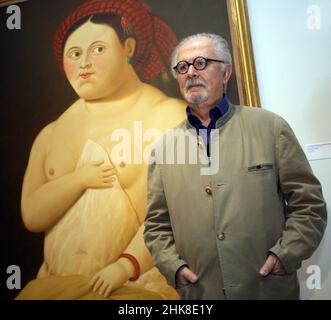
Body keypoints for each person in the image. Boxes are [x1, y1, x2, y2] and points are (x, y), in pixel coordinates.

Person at [17, 0, 186, 300]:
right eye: (75, 54)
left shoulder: (168, 117)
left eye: (97, 49)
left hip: (136, 288)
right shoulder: (51, 134)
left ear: (129, 48)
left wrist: (124, 266)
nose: (84, 64)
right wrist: (78, 179)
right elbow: (32, 215)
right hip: (53, 288)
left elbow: (179, 211)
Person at [143, 33, 327, 300]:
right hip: (201, 293)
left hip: (267, 290)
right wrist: (174, 267)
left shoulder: (270, 128)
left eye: (201, 62)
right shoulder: (163, 150)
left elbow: (309, 206)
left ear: (226, 72)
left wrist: (284, 255)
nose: (191, 72)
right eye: (183, 67)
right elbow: (156, 225)